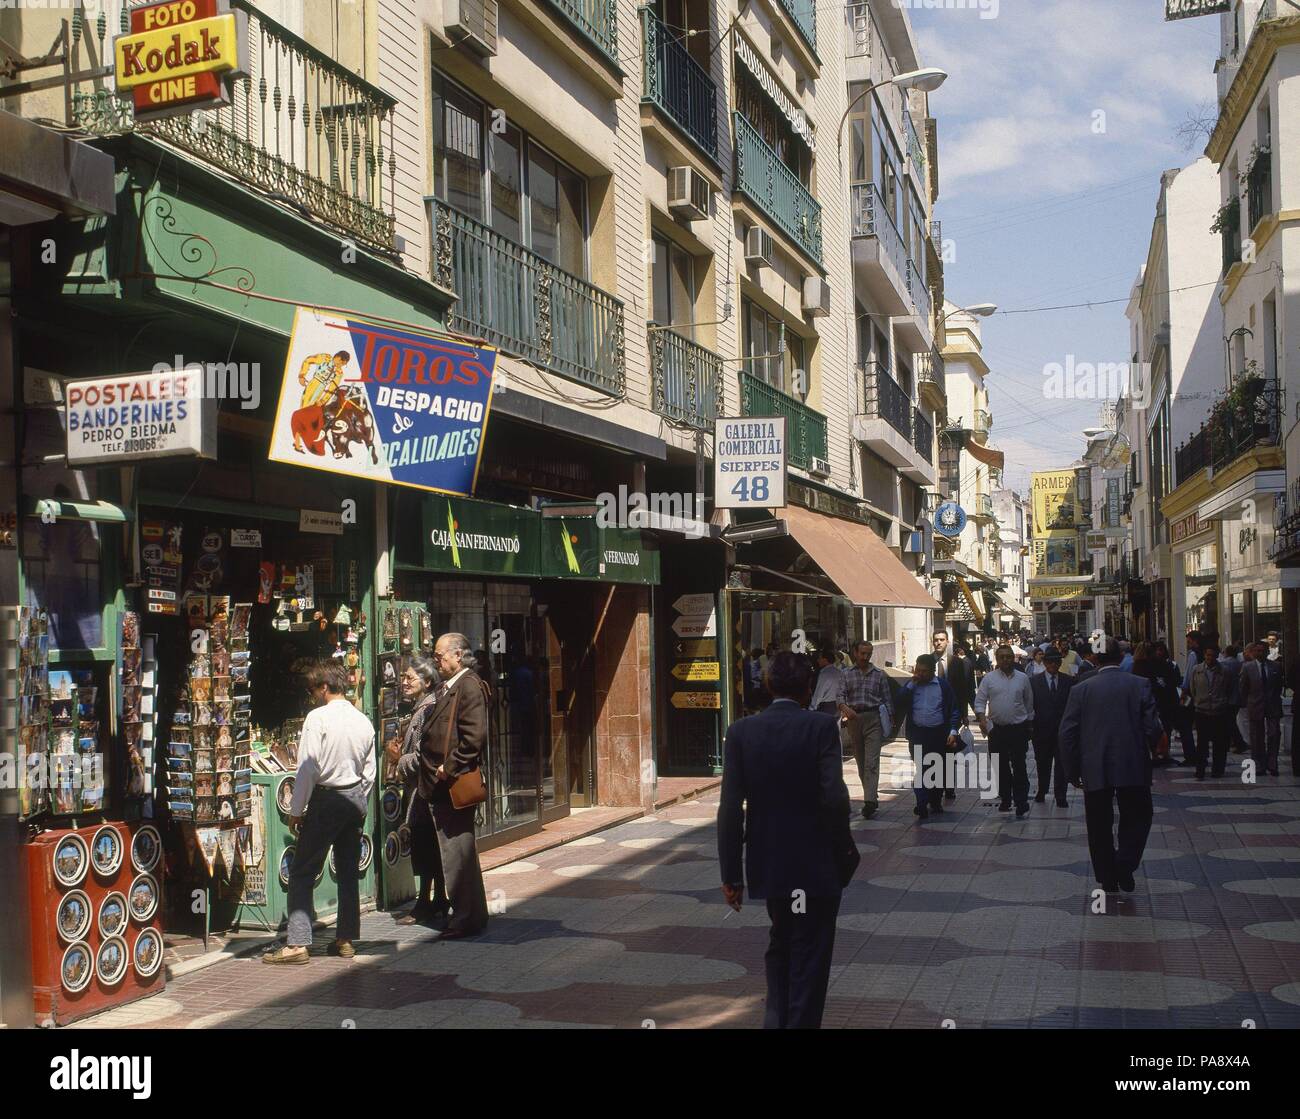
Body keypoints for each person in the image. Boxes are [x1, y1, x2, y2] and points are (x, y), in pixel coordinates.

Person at [717, 652, 856, 1029]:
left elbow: (730, 808)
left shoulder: (742, 732)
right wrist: (845, 854)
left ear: (768, 686)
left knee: (783, 942)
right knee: (808, 954)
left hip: (771, 866)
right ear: (808, 687)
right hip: (814, 867)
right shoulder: (821, 727)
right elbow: (834, 796)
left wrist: (731, 875)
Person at [264, 659, 375, 963]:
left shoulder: (317, 718)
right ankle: (345, 938)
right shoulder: (363, 720)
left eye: (314, 689)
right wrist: (360, 801)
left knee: (302, 871)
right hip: (353, 797)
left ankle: (298, 944)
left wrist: (296, 809)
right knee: (348, 871)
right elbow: (370, 771)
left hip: (327, 798)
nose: (313, 695)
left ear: (325, 687)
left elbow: (308, 767)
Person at [1058, 637, 1162, 897]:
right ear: (1119, 657)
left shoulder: (1081, 689)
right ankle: (1125, 864)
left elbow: (1067, 733)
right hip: (1133, 764)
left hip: (1094, 765)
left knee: (1098, 822)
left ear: (1095, 659)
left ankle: (1106, 876)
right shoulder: (1139, 685)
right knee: (1138, 816)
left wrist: (1071, 770)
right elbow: (1153, 726)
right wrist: (1151, 748)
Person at [416, 633, 491, 938]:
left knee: (457, 854)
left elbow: (474, 738)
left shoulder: (469, 686)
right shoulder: (449, 687)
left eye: (440, 655)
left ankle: (464, 918)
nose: (437, 661)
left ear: (458, 656)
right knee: (460, 852)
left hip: (451, 784)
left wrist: (449, 766)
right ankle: (472, 914)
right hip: (439, 784)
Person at [385, 656, 449, 926]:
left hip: (424, 791)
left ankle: (427, 903)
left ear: (426, 681)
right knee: (428, 846)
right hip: (422, 790)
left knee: (426, 846)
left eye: (410, 677)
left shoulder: (427, 710)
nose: (404, 682)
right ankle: (436, 900)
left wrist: (397, 759)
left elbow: (426, 755)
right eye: (403, 677)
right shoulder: (421, 707)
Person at [895, 654, 961, 819]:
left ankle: (935, 800)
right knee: (922, 768)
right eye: (918, 670)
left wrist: (953, 731)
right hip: (917, 733)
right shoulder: (912, 685)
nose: (920, 674)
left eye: (924, 671)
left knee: (937, 769)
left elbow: (953, 709)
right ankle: (922, 802)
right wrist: (911, 684)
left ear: (933, 671)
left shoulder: (943, 686)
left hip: (938, 733)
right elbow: (899, 700)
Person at [974, 644, 1035, 818]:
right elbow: (980, 701)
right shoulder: (989, 679)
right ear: (997, 659)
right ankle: (1006, 799)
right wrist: (981, 718)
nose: (1006, 660)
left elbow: (1028, 703)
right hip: (997, 730)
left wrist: (1030, 725)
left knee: (1019, 765)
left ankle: (1021, 800)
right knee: (999, 766)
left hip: (1018, 729)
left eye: (1009, 656)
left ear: (1013, 657)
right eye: (1002, 657)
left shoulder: (1023, 678)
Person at [838, 641, 894, 819]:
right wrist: (845, 709)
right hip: (854, 720)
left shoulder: (879, 675)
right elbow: (840, 696)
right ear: (855, 653)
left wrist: (891, 719)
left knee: (871, 761)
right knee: (861, 761)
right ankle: (871, 793)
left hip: (873, 719)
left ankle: (869, 801)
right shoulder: (846, 674)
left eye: (868, 653)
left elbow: (887, 699)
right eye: (862, 653)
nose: (865, 657)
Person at [1030, 649, 1074, 806]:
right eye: (1049, 662)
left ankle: (1060, 795)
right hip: (1041, 730)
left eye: (1056, 662)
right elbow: (1030, 706)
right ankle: (1042, 791)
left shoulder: (1069, 681)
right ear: (1044, 662)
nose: (1052, 665)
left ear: (1060, 663)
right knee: (1042, 763)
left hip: (1062, 731)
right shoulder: (1034, 682)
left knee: (1062, 764)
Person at [1187, 643, 1232, 780]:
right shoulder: (1197, 670)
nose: (1210, 658)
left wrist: (1222, 702)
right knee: (1202, 743)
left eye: (1212, 655)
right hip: (1202, 711)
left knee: (1219, 743)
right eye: (1207, 655)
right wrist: (1199, 701)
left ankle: (1217, 770)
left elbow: (1228, 688)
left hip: (1219, 711)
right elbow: (1192, 688)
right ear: (1204, 655)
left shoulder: (1224, 671)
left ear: (1217, 656)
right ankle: (1200, 770)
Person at [1239, 642, 1283, 777]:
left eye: (1262, 651)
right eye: (1257, 651)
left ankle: (1272, 764)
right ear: (1253, 652)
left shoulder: (1275, 666)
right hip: (1255, 705)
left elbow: (1279, 686)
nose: (1260, 653)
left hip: (1272, 705)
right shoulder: (1247, 667)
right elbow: (1243, 687)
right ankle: (1259, 765)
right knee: (1256, 737)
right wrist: (1246, 702)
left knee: (1274, 734)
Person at [810, 647, 846, 714]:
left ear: (825, 660)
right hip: (839, 705)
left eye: (819, 658)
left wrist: (812, 708)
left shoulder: (824, 674)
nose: (818, 660)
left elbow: (819, 692)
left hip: (827, 708)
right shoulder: (839, 672)